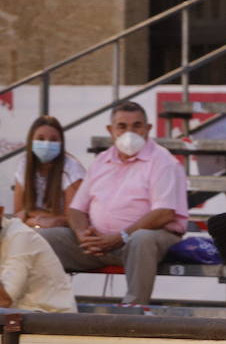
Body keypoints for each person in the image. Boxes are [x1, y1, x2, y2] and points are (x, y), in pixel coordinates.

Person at [39, 102, 189, 305]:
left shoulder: (163, 161)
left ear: (148, 129)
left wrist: (121, 237)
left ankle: (135, 307)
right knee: (45, 238)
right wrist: (83, 235)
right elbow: (76, 209)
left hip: (146, 242)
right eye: (122, 126)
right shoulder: (102, 160)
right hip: (98, 244)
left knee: (142, 238)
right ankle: (46, 304)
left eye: (137, 125)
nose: (130, 132)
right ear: (111, 130)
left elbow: (163, 213)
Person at [12, 115, 84, 229]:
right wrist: (39, 221)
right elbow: (18, 212)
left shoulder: (72, 167)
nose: (47, 144)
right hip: (35, 225)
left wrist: (30, 215)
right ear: (31, 141)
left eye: (53, 140)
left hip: (66, 230)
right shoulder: (24, 163)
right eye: (40, 139)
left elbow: (73, 218)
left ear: (61, 143)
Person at [0, 207, 77, 312]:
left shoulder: (21, 236)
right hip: (20, 316)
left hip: (50, 317)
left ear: (0, 212)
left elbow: (4, 301)